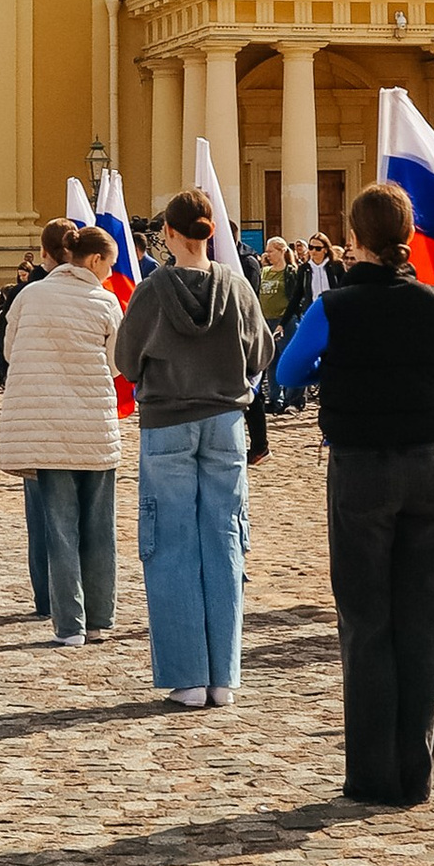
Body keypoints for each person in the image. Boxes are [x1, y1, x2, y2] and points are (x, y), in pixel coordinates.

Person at [277, 181, 434, 807]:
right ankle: (415, 772)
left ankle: (371, 774)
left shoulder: (334, 308)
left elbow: (287, 374)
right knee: (425, 618)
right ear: (409, 239)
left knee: (366, 620)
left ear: (354, 240)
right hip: (430, 467)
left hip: (361, 466)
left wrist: (332, 368)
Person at [114, 188, 272, 709]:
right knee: (226, 541)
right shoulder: (237, 286)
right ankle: (223, 675)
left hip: (168, 423)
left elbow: (127, 359)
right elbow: (262, 351)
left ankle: (187, 677)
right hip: (225, 420)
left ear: (169, 234)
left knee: (172, 545)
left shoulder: (154, 291)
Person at [0, 223, 123, 644]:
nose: (111, 271)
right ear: (94, 260)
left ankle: (69, 624)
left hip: (45, 428)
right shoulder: (105, 301)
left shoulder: (29, 296)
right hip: (93, 426)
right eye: (110, 263)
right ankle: (100, 618)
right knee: (99, 526)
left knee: (60, 528)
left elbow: (11, 351)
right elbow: (118, 362)